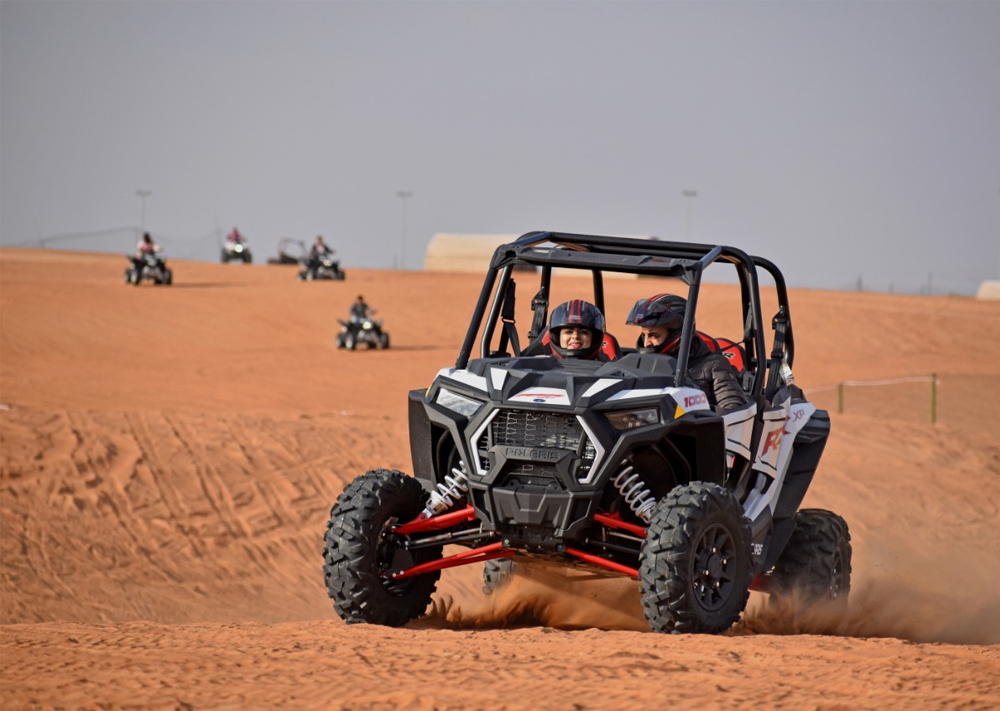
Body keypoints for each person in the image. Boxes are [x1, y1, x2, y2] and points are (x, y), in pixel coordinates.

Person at [626, 293, 749, 413]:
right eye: (644, 335)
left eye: (654, 335)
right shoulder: (640, 364)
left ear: (677, 334)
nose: (647, 343)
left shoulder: (713, 365)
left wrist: (701, 413)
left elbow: (733, 407)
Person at [545, 299, 615, 361]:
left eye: (583, 332)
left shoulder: (610, 370)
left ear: (594, 338)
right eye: (568, 332)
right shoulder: (541, 365)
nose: (575, 336)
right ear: (557, 337)